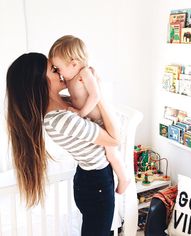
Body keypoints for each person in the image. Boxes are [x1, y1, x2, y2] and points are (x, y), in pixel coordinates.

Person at [6, 52, 120, 236]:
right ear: (40, 82)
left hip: (93, 178)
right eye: (53, 69)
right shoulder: (59, 119)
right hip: (96, 183)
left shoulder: (65, 104)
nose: (60, 72)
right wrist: (98, 94)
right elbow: (115, 139)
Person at [48, 35, 130, 194]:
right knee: (109, 152)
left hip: (101, 120)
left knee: (111, 153)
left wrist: (81, 113)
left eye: (58, 68)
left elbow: (96, 96)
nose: (58, 72)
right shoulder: (70, 78)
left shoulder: (84, 73)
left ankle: (124, 177)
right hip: (92, 121)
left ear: (73, 64)